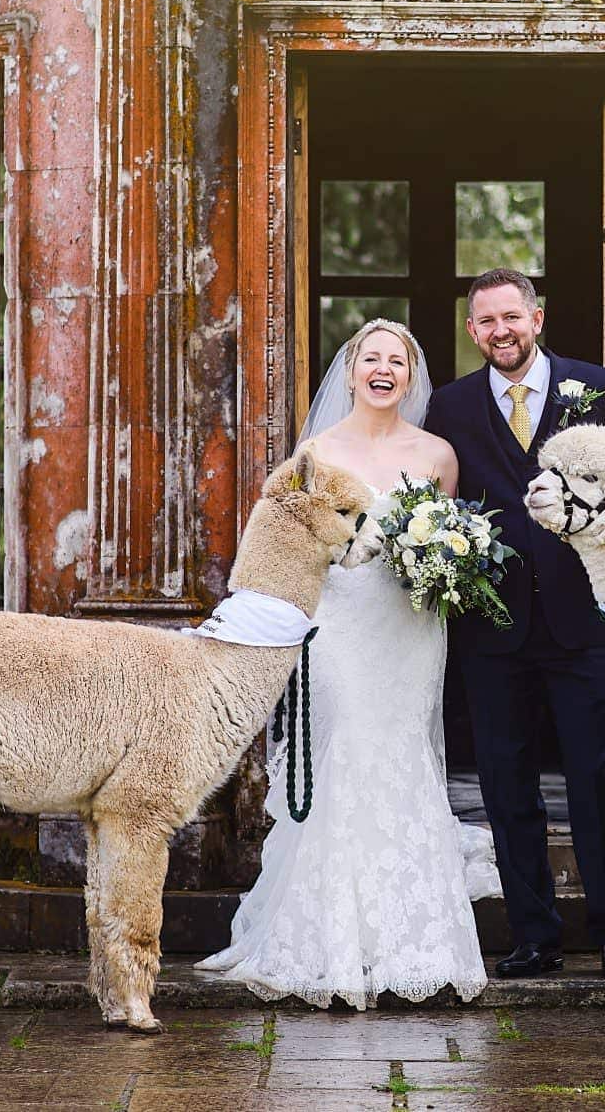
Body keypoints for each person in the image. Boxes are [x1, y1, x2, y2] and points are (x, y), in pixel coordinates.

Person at [197, 318, 500, 1010]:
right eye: (373, 357)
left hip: (410, 630)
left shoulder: (438, 455)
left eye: (399, 359)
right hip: (339, 627)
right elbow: (287, 543)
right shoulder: (316, 451)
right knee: (348, 752)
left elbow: (452, 539)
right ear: (353, 369)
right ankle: (327, 941)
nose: (385, 368)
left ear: (413, 376)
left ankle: (413, 942)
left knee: (402, 755)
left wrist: (443, 558)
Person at [422, 269, 605, 979]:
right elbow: (436, 503)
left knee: (592, 779)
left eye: (511, 316)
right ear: (472, 331)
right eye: (486, 321)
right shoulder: (451, 407)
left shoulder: (594, 385)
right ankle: (534, 934)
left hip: (579, 616)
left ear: (537, 317)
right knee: (506, 782)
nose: (501, 331)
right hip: (493, 628)